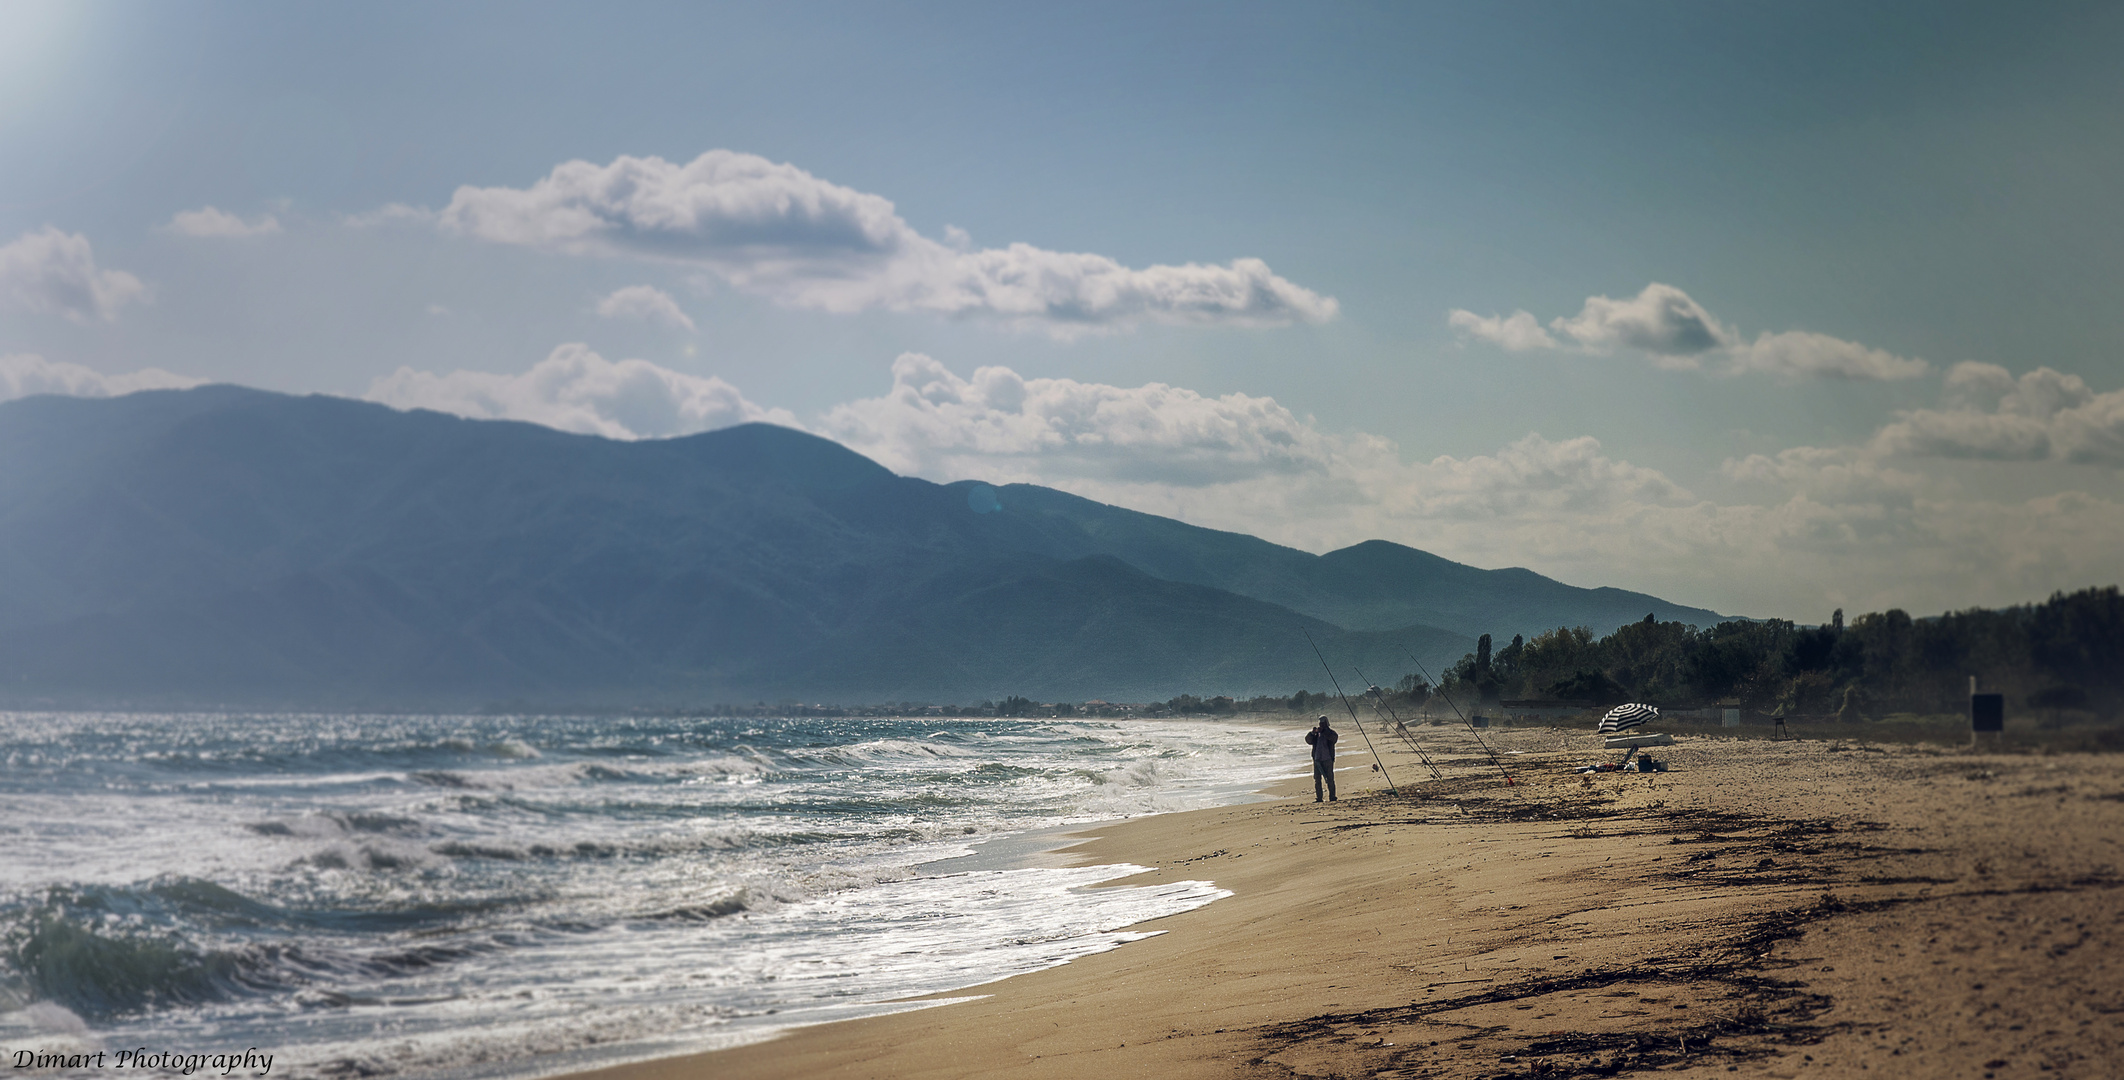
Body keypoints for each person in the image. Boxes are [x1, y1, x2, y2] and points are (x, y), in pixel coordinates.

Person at [1305, 714, 1339, 802]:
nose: (1321, 725)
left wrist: (1324, 732)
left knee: (1330, 779)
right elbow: (1308, 741)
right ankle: (1319, 798)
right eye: (1320, 723)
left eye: (1323, 723)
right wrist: (1312, 733)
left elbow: (1334, 739)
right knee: (1317, 779)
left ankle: (1332, 796)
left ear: (1326, 724)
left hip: (1327, 759)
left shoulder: (1331, 732)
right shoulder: (1316, 734)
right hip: (1317, 759)